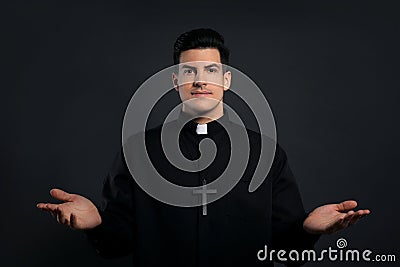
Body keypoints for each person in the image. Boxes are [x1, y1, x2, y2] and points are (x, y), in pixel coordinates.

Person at [37, 28, 370, 267]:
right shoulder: (140, 151)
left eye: (211, 70)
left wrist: (307, 229)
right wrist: (96, 223)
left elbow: (284, 244)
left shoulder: (265, 152)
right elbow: (117, 244)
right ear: (175, 81)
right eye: (188, 71)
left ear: (226, 80)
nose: (199, 80)